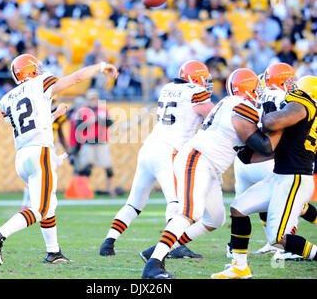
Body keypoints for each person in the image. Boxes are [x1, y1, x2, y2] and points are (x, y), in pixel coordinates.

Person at [141, 68, 281, 279]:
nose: (259, 92)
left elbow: (246, 156)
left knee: (214, 219)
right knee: (189, 213)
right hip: (198, 159)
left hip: (206, 164)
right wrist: (280, 128)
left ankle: (157, 250)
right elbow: (263, 146)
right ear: (248, 88)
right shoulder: (242, 106)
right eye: (256, 88)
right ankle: (153, 266)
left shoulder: (229, 103)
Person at [0, 53, 118, 265]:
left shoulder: (5, 100)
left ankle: (53, 252)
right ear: (32, 69)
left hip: (22, 156)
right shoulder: (40, 82)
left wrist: (53, 116)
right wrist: (101, 65)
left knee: (49, 204)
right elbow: (76, 78)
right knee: (41, 208)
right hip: (40, 153)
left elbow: (26, 124)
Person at [99, 61, 214, 260]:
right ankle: (175, 246)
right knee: (177, 203)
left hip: (148, 148)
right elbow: (213, 115)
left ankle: (108, 242)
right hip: (168, 151)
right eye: (204, 78)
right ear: (196, 78)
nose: (207, 83)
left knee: (134, 203)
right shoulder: (195, 90)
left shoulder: (167, 88)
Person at [212, 74, 317, 279]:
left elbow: (272, 121)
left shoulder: (303, 105)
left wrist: (263, 113)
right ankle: (240, 267)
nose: (291, 91)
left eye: (295, 88)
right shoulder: (301, 113)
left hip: (294, 178)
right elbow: (274, 149)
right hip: (282, 176)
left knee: (278, 238)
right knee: (239, 208)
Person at [73, 89, 116, 196]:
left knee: (107, 165)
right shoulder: (83, 111)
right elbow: (78, 127)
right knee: (87, 167)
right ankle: (85, 190)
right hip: (88, 142)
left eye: (95, 98)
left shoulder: (102, 110)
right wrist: (89, 122)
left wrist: (101, 120)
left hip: (102, 141)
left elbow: (110, 123)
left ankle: (111, 188)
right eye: (91, 98)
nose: (93, 100)